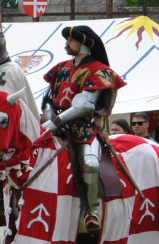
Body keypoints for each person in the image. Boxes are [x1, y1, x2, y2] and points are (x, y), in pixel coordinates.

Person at [40, 25, 126, 232]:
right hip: (55, 126)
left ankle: (91, 210)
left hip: (83, 129)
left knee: (90, 164)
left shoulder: (100, 71)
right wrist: (47, 116)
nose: (66, 44)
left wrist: (56, 121)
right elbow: (47, 98)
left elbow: (85, 105)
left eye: (71, 40)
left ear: (84, 43)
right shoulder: (60, 68)